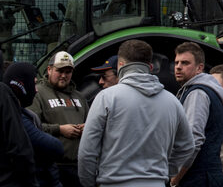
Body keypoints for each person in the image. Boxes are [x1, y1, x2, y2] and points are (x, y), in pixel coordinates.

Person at [77, 39, 195, 187]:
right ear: (150, 66)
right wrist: (165, 172)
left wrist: (89, 184)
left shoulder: (106, 97)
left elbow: (87, 152)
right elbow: (188, 145)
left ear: (121, 65)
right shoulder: (173, 102)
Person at [29, 50, 89, 187]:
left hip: (78, 167)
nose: (64, 75)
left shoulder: (80, 97)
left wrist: (88, 127)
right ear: (49, 70)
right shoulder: (37, 93)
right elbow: (30, 128)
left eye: (68, 72)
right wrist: (60, 129)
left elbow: (92, 124)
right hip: (51, 168)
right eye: (60, 71)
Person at [173, 42, 223, 187]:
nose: (178, 67)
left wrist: (176, 177)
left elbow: (193, 140)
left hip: (198, 177)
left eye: (185, 63)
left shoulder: (198, 93)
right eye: (176, 62)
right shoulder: (202, 90)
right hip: (206, 175)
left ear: (199, 68)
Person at [5, 62, 55, 186]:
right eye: (33, 83)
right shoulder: (18, 116)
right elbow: (53, 147)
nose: (36, 90)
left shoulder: (28, 115)